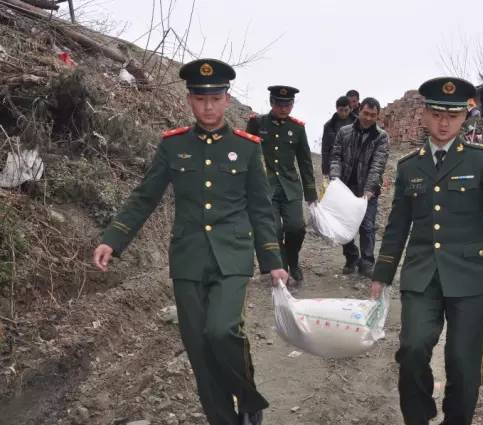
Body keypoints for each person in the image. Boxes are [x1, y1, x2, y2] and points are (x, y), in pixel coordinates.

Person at [92, 58, 287, 425]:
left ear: (226, 99)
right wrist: (113, 239)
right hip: (188, 259)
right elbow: (145, 196)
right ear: (189, 100)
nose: (207, 107)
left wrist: (273, 260)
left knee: (222, 331)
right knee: (198, 348)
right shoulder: (173, 145)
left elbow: (261, 209)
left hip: (232, 256)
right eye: (200, 99)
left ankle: (248, 397)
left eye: (214, 99)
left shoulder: (247, 147)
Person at [370, 77, 483, 425]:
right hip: (422, 273)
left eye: (452, 116)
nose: (444, 123)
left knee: (464, 363)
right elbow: (397, 226)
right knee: (413, 350)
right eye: (436, 115)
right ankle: (418, 417)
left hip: (470, 276)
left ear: (465, 117)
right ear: (424, 115)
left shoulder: (481, 160)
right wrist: (382, 274)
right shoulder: (409, 166)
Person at [246, 86, 317, 286]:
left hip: (290, 187)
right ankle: (282, 267)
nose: (284, 108)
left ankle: (293, 259)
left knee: (297, 227)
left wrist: (311, 193)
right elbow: (246, 153)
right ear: (271, 103)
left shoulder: (297, 128)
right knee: (274, 229)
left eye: (288, 104)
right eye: (279, 104)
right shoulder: (257, 123)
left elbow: (305, 161)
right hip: (265, 187)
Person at [329, 97, 390, 278]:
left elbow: (378, 165)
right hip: (345, 188)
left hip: (368, 190)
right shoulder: (344, 132)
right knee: (344, 224)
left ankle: (367, 263)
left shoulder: (381, 137)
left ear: (377, 116)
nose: (368, 118)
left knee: (367, 226)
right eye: (366, 113)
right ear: (359, 111)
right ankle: (351, 258)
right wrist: (335, 180)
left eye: (373, 115)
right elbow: (336, 156)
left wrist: (369, 191)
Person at [321, 95, 357, 177]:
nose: (343, 113)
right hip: (334, 164)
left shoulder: (357, 123)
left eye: (346, 110)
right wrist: (325, 170)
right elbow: (325, 149)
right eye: (341, 110)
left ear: (350, 109)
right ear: (336, 109)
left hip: (353, 165)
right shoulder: (329, 126)